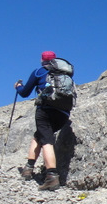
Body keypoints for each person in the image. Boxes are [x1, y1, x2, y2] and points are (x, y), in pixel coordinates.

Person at [14, 51, 72, 191]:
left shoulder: (39, 72)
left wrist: (18, 87)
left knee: (46, 140)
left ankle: (52, 176)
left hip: (46, 109)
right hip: (63, 113)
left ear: (42, 60)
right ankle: (28, 168)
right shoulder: (64, 73)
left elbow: (25, 92)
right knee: (39, 135)